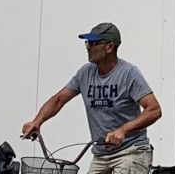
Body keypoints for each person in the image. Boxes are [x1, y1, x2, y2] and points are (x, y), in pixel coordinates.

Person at [22, 23, 162, 174]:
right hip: (101, 155)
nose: (88, 47)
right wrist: (37, 122)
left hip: (131, 152)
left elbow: (154, 110)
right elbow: (59, 99)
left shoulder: (129, 74)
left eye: (94, 43)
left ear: (109, 47)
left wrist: (123, 130)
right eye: (87, 43)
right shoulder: (85, 73)